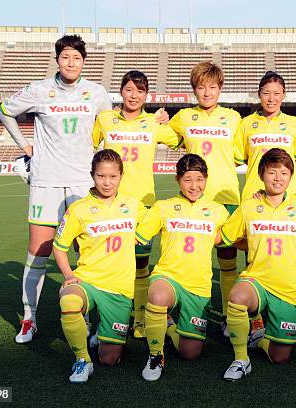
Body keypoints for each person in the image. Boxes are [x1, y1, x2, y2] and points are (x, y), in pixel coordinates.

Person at [0, 35, 112, 343]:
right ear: (57, 60)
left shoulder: (97, 93)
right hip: (46, 181)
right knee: (39, 251)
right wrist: (25, 146)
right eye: (65, 57)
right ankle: (29, 319)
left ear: (83, 61)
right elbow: (3, 111)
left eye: (76, 57)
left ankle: (86, 317)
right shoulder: (39, 90)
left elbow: (108, 133)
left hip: (83, 183)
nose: (71, 63)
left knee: (84, 252)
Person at [220, 148, 296, 381]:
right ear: (261, 175)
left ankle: (260, 340)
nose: (277, 178)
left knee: (280, 357)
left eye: (284, 173)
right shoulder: (249, 206)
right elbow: (227, 238)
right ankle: (241, 359)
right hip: (257, 279)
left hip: (288, 290)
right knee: (237, 297)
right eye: (271, 172)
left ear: (291, 176)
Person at [92, 70, 180, 338]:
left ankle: (140, 319)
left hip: (143, 206)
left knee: (141, 267)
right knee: (111, 267)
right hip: (110, 204)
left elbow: (180, 138)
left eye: (140, 91)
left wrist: (168, 118)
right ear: (121, 91)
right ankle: (109, 321)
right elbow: (87, 144)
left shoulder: (153, 124)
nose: (134, 95)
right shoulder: (105, 119)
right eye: (129, 89)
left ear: (146, 95)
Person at [53, 149, 147, 383]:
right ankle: (82, 360)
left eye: (112, 176)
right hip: (88, 280)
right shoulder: (78, 209)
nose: (107, 182)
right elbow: (59, 246)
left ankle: (102, 333)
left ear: (121, 176)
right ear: (92, 175)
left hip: (119, 289)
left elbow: (154, 222)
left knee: (110, 359)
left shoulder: (133, 205)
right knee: (69, 300)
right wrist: (68, 276)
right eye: (101, 176)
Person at [137, 154, 229, 381]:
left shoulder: (218, 211)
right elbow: (138, 237)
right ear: (178, 179)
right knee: (158, 296)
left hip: (198, 286)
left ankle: (167, 325)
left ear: (206, 179)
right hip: (168, 276)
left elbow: (231, 238)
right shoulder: (163, 207)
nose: (194, 186)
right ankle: (155, 355)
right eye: (187, 179)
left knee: (190, 353)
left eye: (199, 179)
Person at [167, 62, 242, 336]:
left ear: (220, 89)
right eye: (201, 87)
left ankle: (227, 315)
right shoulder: (184, 117)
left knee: (228, 259)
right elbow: (166, 134)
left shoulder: (234, 118)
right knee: (189, 258)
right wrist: (157, 119)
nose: (207, 92)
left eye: (212, 87)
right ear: (194, 90)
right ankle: (182, 310)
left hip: (226, 197)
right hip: (194, 200)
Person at [234, 71, 296, 202]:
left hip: (287, 196)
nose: (271, 99)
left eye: (277, 93)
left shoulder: (295, 123)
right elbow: (238, 159)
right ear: (259, 94)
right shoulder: (246, 123)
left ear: (283, 95)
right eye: (266, 93)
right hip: (253, 195)